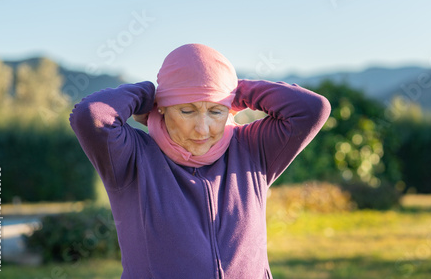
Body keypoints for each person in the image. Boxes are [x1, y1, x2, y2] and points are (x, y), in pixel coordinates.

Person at [69, 43, 331, 279]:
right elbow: (91, 116)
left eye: (216, 111)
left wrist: (236, 91)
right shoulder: (132, 158)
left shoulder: (253, 149)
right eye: (187, 110)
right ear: (163, 107)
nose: (203, 129)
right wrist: (149, 94)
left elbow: (312, 109)